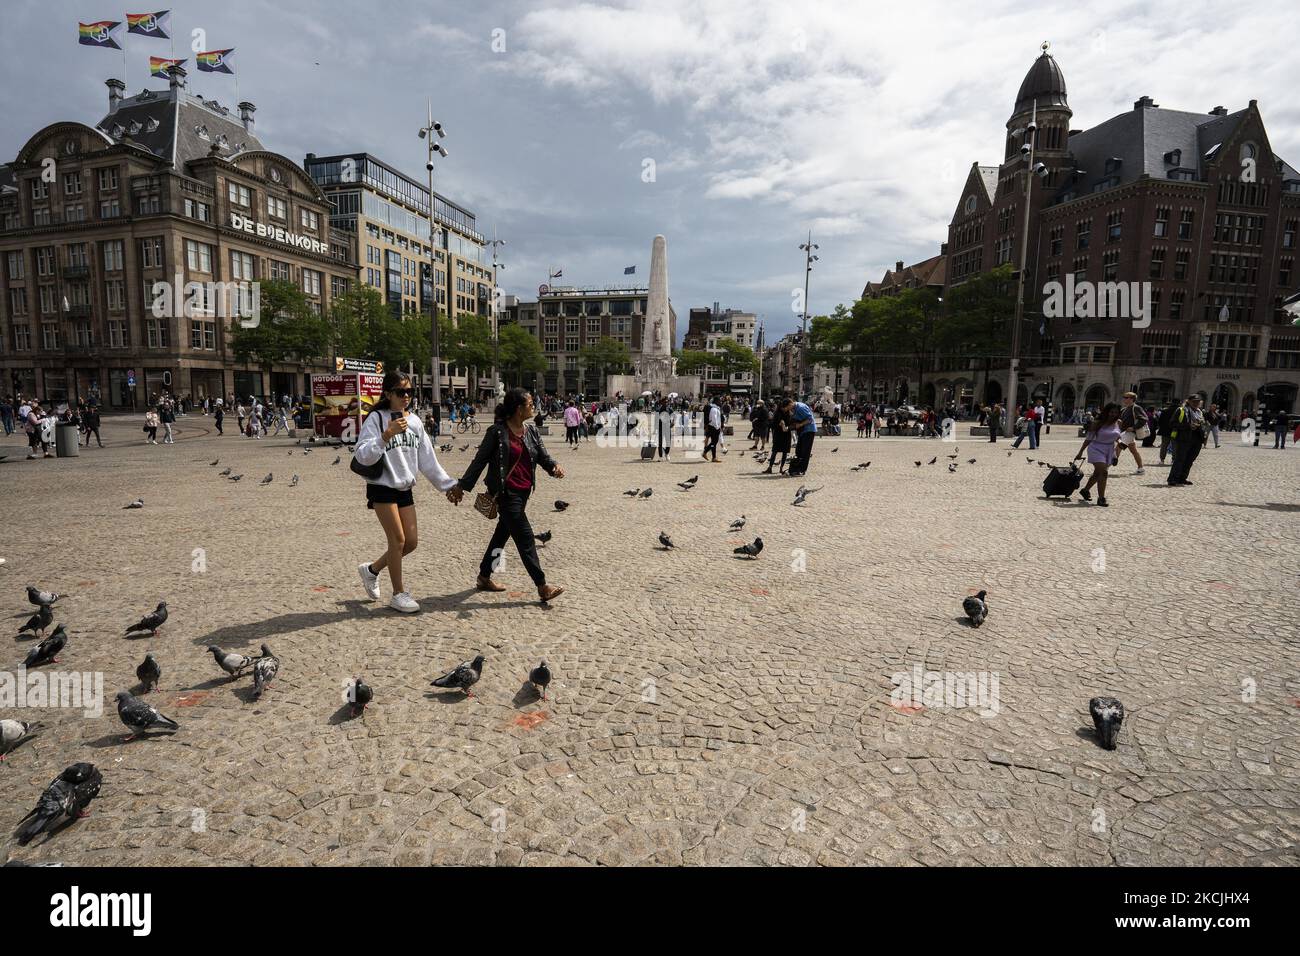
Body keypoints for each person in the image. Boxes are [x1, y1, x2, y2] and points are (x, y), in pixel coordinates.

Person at [354, 372, 460, 614]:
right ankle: (399, 594)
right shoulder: (376, 419)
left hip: (404, 488)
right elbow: (362, 455)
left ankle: (371, 570)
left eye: (409, 392)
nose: (406, 397)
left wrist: (448, 485)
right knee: (397, 540)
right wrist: (385, 435)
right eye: (401, 392)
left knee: (410, 543)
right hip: (381, 486)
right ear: (388, 394)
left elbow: (427, 460)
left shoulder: (415, 422)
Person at [457, 387, 565, 605]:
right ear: (518, 409)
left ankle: (484, 576)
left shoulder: (531, 431)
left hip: (524, 492)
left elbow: (543, 456)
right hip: (506, 493)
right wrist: (462, 486)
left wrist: (554, 467)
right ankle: (542, 586)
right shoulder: (497, 433)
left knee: (502, 534)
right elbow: (479, 461)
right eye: (530, 403)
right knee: (525, 538)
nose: (533, 406)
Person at [1074, 401, 1122, 507]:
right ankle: (1101, 498)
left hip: (1109, 449)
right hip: (1096, 448)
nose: (1113, 414)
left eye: (1115, 412)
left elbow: (1117, 436)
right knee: (1103, 472)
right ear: (1106, 412)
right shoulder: (1098, 423)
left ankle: (1085, 490)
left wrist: (1119, 443)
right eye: (1111, 412)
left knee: (1097, 474)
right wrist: (1080, 451)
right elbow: (1088, 439)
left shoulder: (1119, 422)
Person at [1167, 395, 1206, 486]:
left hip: (1197, 439)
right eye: (1194, 401)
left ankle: (1182, 478)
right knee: (1180, 459)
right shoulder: (1182, 410)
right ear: (1189, 401)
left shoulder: (1200, 412)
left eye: (1198, 401)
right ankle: (1172, 479)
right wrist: (1188, 426)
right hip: (1184, 438)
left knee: (1190, 460)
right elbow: (1172, 423)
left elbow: (1202, 425)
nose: (1196, 403)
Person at [1114, 392, 1147, 475]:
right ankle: (1141, 468)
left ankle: (1105, 468)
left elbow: (1144, 419)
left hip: (1130, 433)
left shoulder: (1136, 408)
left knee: (1118, 447)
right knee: (1134, 451)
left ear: (1131, 399)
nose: (1124, 399)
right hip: (1125, 433)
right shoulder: (1124, 409)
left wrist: (1133, 427)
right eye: (1124, 397)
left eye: (1126, 397)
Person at [787, 397, 817, 477]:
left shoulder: (801, 407)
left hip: (809, 430)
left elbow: (810, 419)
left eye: (788, 407)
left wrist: (800, 425)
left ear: (790, 404)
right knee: (799, 450)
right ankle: (796, 468)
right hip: (802, 431)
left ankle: (802, 470)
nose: (787, 409)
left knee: (805, 451)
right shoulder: (794, 409)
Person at [764, 401, 792, 474]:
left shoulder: (790, 414)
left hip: (786, 434)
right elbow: (772, 425)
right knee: (774, 451)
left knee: (785, 452)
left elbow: (792, 424)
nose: (785, 408)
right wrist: (779, 424)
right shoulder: (777, 414)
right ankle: (770, 467)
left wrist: (787, 427)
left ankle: (781, 468)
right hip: (778, 434)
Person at [702, 397, 722, 462]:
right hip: (714, 428)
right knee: (714, 442)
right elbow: (714, 419)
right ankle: (705, 452)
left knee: (714, 443)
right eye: (719, 401)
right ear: (716, 401)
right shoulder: (714, 409)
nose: (720, 402)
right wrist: (717, 427)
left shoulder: (715, 408)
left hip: (713, 427)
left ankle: (714, 457)